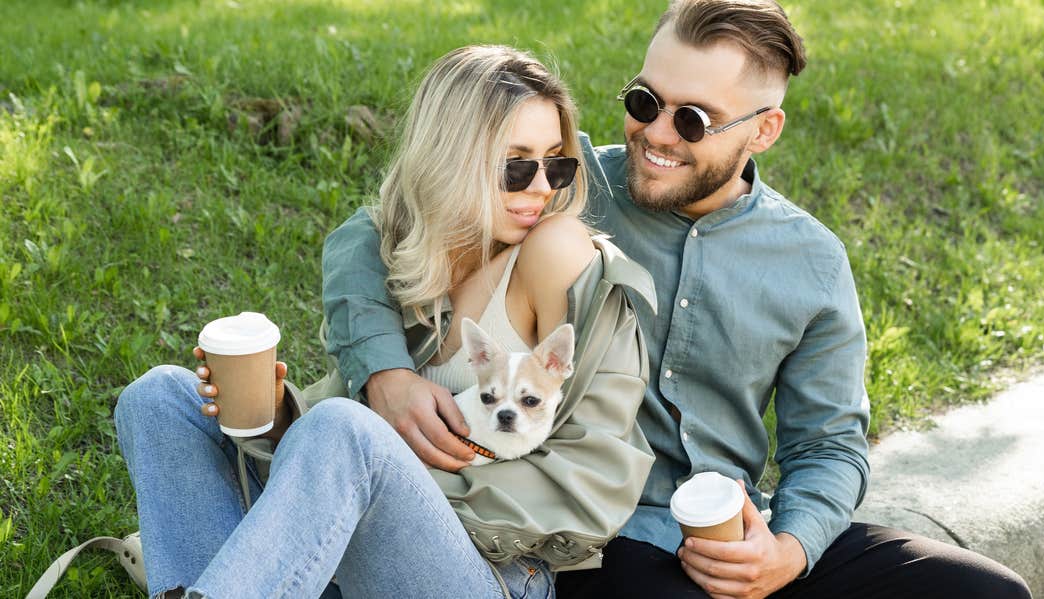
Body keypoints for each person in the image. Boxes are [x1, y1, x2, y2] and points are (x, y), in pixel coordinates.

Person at [320, 2, 1034, 598]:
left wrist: (786, 550)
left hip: (735, 530)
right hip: (605, 540)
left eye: (692, 119)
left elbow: (830, 444)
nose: (655, 133)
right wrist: (385, 370)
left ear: (763, 129)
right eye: (643, 102)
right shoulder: (564, 188)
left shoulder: (811, 261)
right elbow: (370, 232)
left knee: (988, 592)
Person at [115, 45, 654, 599]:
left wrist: (397, 473)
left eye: (557, 163)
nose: (543, 188)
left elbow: (597, 473)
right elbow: (343, 442)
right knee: (159, 398)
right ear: (449, 159)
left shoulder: (554, 250)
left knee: (345, 429)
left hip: (488, 567)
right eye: (516, 166)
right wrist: (279, 418)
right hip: (359, 541)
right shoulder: (403, 253)